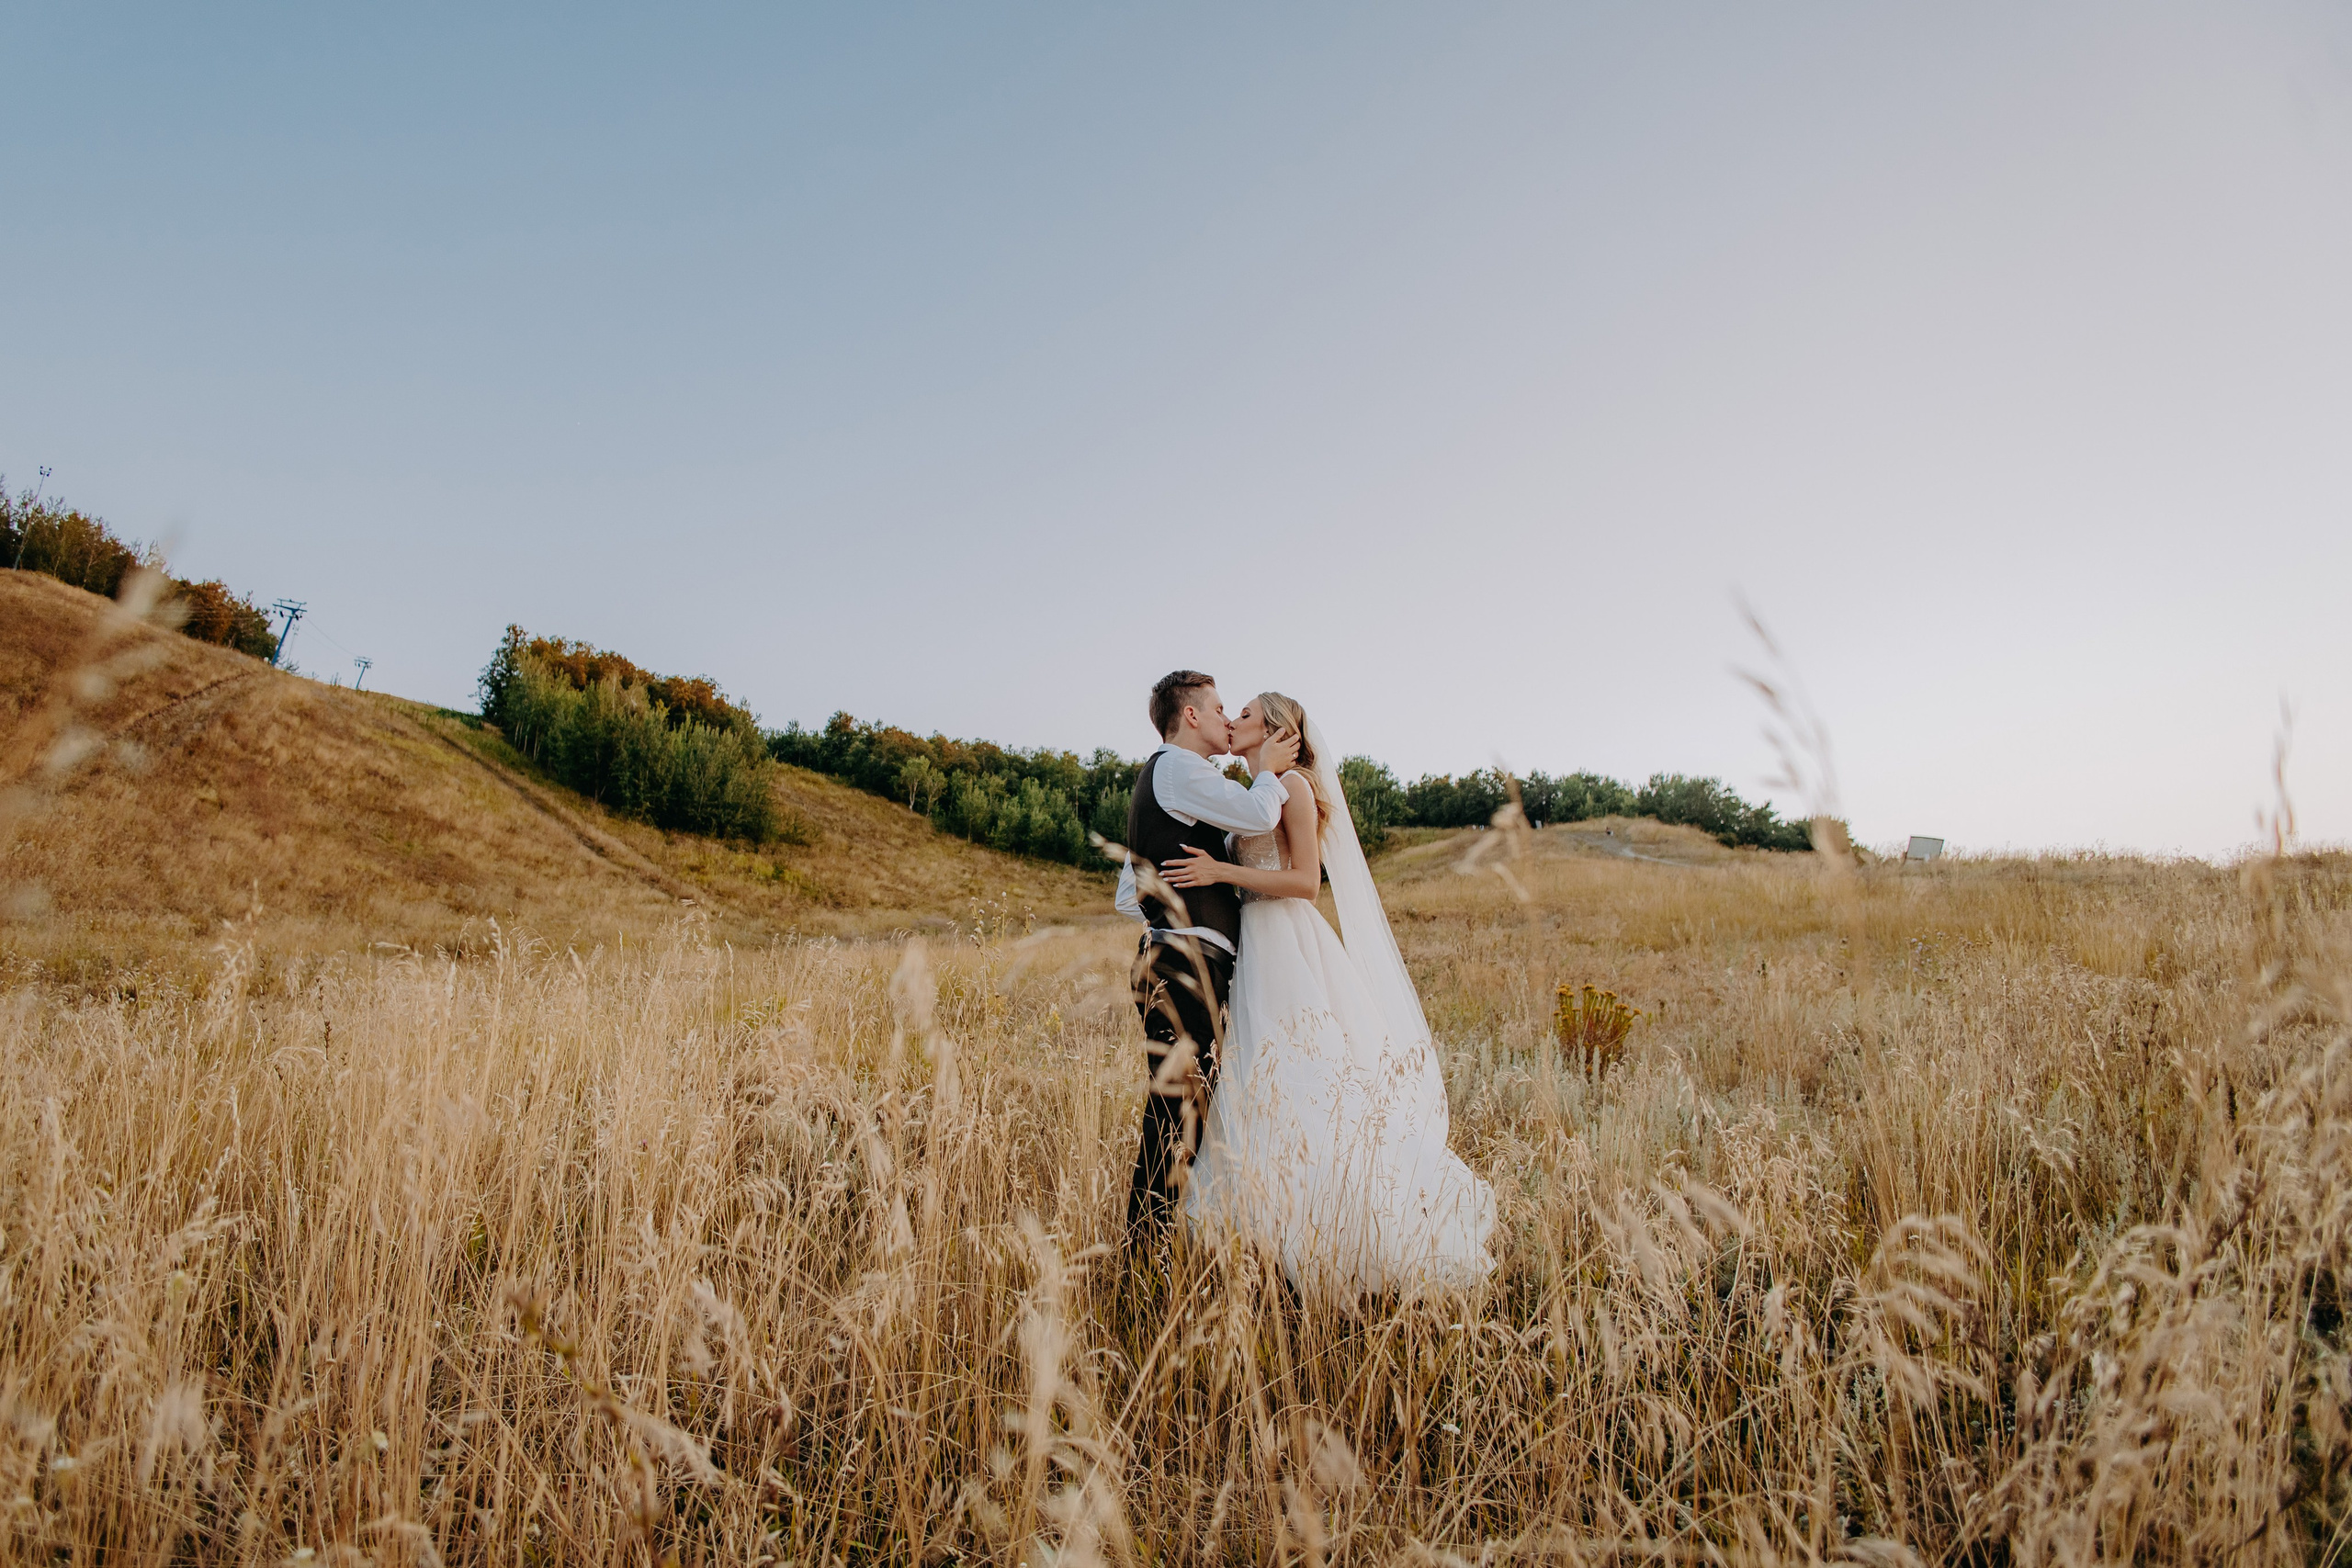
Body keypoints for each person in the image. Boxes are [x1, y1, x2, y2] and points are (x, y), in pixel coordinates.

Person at [1157, 692, 1496, 1295]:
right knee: (1259, 1084)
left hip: (1287, 943)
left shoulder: (1293, 787)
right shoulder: (1257, 790)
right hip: (1256, 947)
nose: (1232, 721)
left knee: (1305, 1078)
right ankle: (1264, 1227)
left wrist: (1221, 872)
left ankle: (1339, 1225)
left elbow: (1307, 882)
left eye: (1245, 715)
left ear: (1275, 730)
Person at [1114, 671, 1298, 1255]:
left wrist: (1173, 903)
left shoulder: (1166, 781)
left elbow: (1128, 895)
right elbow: (1260, 815)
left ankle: (1151, 1248)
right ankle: (1142, 1257)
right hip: (1185, 962)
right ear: (1191, 715)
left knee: (1183, 1112)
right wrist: (1269, 770)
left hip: (1176, 957)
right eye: (1219, 708)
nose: (1226, 718)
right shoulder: (1178, 768)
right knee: (1177, 1116)